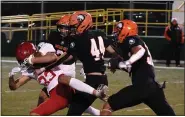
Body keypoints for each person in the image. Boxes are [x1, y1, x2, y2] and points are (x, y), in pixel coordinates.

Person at [30, 11, 117, 115]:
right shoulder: (100, 34)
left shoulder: (78, 40)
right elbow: (114, 51)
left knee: (72, 112)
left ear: (83, 23)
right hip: (102, 78)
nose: (73, 29)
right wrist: (116, 60)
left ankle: (97, 99)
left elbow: (63, 58)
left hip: (93, 81)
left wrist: (43, 68)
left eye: (75, 26)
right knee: (72, 100)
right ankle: (98, 112)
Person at [100, 19, 176, 116]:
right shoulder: (130, 46)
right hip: (153, 88)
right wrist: (119, 65)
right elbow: (134, 67)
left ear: (126, 30)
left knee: (108, 106)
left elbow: (140, 51)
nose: (116, 32)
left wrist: (127, 62)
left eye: (119, 30)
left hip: (141, 87)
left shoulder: (132, 39)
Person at [9, 42, 100, 115]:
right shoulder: (29, 71)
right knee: (44, 96)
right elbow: (14, 86)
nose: (24, 64)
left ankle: (95, 97)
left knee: (36, 112)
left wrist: (32, 60)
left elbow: (52, 57)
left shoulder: (45, 50)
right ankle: (97, 113)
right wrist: (11, 76)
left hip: (63, 84)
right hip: (57, 91)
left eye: (24, 61)